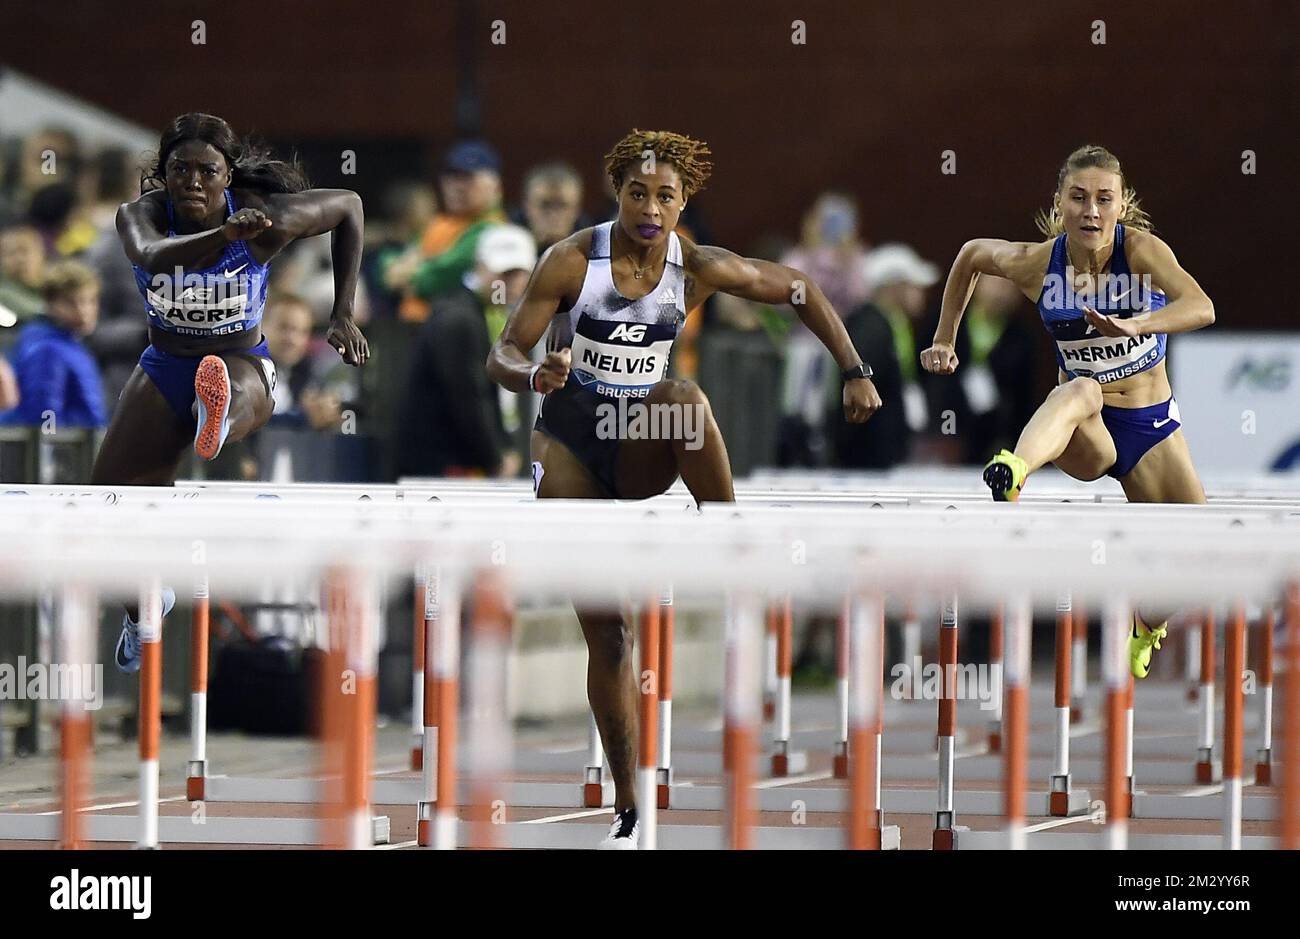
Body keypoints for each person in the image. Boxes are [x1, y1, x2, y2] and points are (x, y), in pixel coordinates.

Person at [487, 129, 881, 847]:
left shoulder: (695, 265)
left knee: (682, 394)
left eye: (665, 195)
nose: (649, 207)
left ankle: (735, 554)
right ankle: (629, 803)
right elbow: (503, 350)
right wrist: (530, 374)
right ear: (618, 192)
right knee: (609, 636)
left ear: (683, 201)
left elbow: (799, 288)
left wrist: (855, 368)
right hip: (571, 447)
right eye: (637, 192)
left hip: (639, 445)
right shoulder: (573, 261)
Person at [920, 144, 1215, 679]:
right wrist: (945, 339)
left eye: (1104, 199)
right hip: (1087, 431)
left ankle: (1146, 622)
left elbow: (1202, 306)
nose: (1091, 211)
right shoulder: (1039, 263)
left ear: (1121, 206)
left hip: (1151, 426)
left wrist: (1139, 325)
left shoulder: (1142, 252)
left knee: (1204, 561)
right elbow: (970, 255)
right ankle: (1014, 470)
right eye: (1078, 198)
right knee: (1081, 391)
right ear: (1059, 204)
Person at [98, 111, 369, 672]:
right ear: (163, 175)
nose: (192, 182)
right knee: (104, 505)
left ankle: (216, 414)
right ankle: (145, 603)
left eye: (206, 172)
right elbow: (149, 255)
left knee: (228, 379)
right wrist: (223, 236)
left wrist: (341, 314)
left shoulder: (267, 219)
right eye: (180, 170)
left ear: (227, 177)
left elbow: (349, 206)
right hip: (164, 365)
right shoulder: (140, 215)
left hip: (242, 359)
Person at [400, 224, 535, 478]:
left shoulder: (472, 312)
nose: (510, 283)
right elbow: (469, 397)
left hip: (448, 465)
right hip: (444, 469)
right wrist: (495, 456)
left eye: (518, 273)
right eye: (503, 273)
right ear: (479, 267)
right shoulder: (460, 318)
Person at [831, 244, 940, 468]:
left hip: (885, 455)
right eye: (914, 286)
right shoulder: (871, 329)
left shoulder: (895, 325)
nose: (922, 294)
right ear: (893, 287)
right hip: (866, 459)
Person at [382, 140, 507, 321]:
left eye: (468, 178)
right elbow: (388, 264)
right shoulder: (439, 223)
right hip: (414, 325)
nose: (457, 186)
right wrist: (394, 270)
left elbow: (440, 278)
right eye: (452, 176)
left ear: (494, 185)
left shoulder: (493, 229)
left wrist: (412, 273)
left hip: (459, 328)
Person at [0, 260, 106, 429]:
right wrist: (50, 451)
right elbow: (44, 418)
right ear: (51, 304)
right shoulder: (47, 350)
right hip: (66, 451)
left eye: (90, 301)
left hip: (83, 447)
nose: (83, 310)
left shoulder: (74, 345)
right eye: (71, 302)